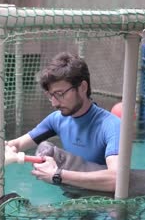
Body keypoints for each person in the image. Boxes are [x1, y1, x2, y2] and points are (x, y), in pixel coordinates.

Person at [7, 52, 121, 192]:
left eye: (60, 94)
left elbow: (117, 180)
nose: (54, 103)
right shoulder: (57, 119)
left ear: (83, 87)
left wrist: (57, 175)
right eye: (51, 95)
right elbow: (17, 144)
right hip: (74, 192)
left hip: (104, 201)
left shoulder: (111, 126)